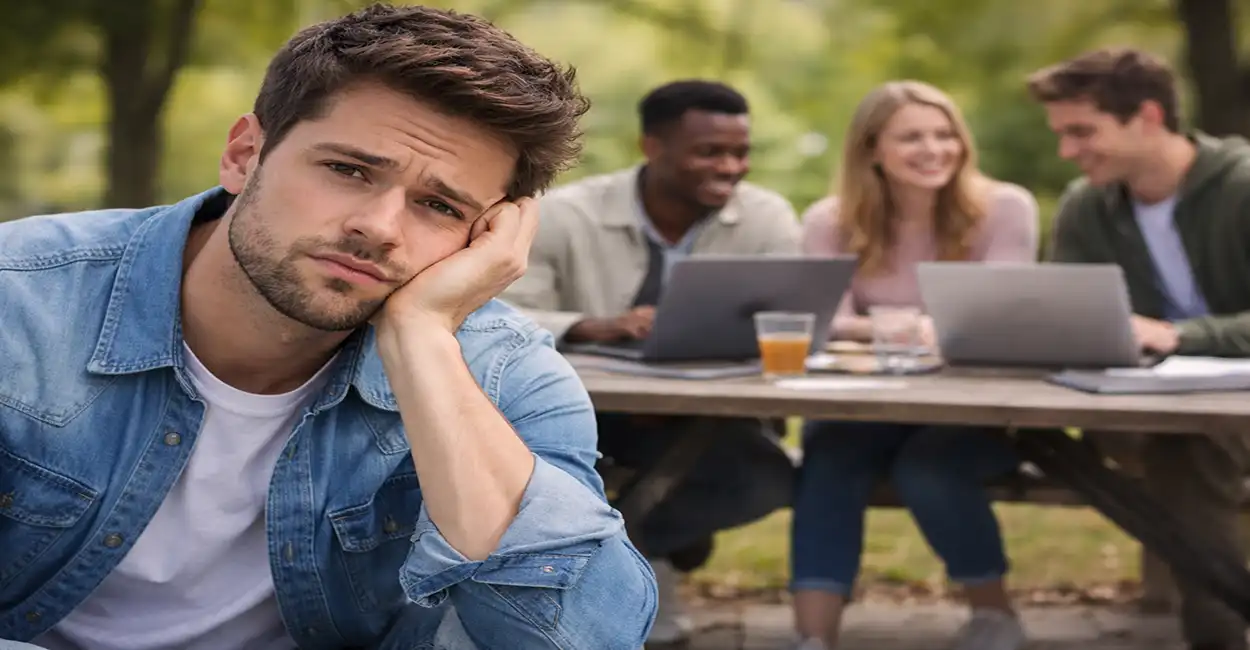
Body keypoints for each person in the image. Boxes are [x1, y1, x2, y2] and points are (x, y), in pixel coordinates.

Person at [0, 5, 658, 649]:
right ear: (244, 154)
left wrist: (422, 340)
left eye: (438, 205)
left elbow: (582, 638)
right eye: (349, 170)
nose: (378, 227)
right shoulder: (20, 302)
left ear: (488, 238)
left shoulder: (500, 373)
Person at [500, 79, 800, 647]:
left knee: (768, 479)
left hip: (713, 410)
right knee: (550, 482)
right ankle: (642, 575)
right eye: (710, 151)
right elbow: (502, 310)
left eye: (740, 152)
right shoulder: (567, 213)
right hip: (586, 408)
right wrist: (593, 325)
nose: (731, 167)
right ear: (652, 147)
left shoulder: (767, 217)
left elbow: (792, 312)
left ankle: (637, 555)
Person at [791, 80, 1039, 650]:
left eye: (944, 133)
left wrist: (884, 323)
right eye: (912, 138)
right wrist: (929, 324)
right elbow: (827, 321)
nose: (934, 149)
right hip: (865, 403)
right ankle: (813, 637)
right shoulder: (830, 220)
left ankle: (995, 616)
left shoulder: (1005, 208)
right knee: (829, 459)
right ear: (872, 149)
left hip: (973, 407)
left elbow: (997, 315)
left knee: (929, 467)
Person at [1030, 47, 1250, 650]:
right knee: (1041, 439)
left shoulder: (1243, 186)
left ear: (1148, 116)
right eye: (1062, 134)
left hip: (1234, 407)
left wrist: (1180, 336)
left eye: (1082, 132)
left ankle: (1221, 635)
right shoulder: (1086, 205)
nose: (1068, 152)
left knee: (1190, 450)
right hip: (1131, 404)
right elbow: (1066, 315)